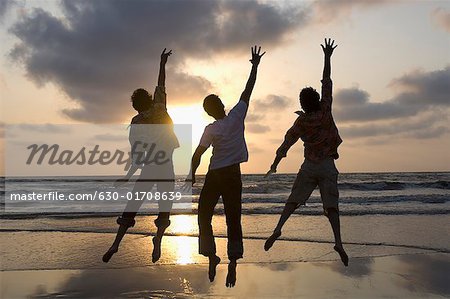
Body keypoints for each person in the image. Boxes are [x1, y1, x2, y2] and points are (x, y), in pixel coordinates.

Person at [264, 38, 348, 267]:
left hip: (309, 166)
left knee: (293, 200)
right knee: (331, 206)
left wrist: (274, 164)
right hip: (327, 166)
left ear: (302, 103)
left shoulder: (300, 123)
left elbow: (286, 144)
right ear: (317, 100)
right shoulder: (325, 109)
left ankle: (278, 228)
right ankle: (339, 242)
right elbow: (327, 81)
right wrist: (327, 56)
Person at [185, 46, 265, 287]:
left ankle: (211, 255)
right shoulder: (237, 115)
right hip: (232, 176)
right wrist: (254, 66)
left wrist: (191, 174)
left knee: (204, 216)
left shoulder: (211, 129)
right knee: (233, 219)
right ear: (220, 105)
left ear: (208, 112)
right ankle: (232, 263)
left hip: (215, 175)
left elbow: (197, 154)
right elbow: (247, 91)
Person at [103, 48, 179, 263]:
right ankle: (158, 242)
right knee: (165, 208)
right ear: (149, 99)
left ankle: (116, 244)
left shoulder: (136, 123)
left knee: (132, 207)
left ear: (135, 106)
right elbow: (161, 84)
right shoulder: (159, 108)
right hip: (165, 166)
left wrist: (127, 176)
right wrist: (162, 63)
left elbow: (137, 156)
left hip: (148, 167)